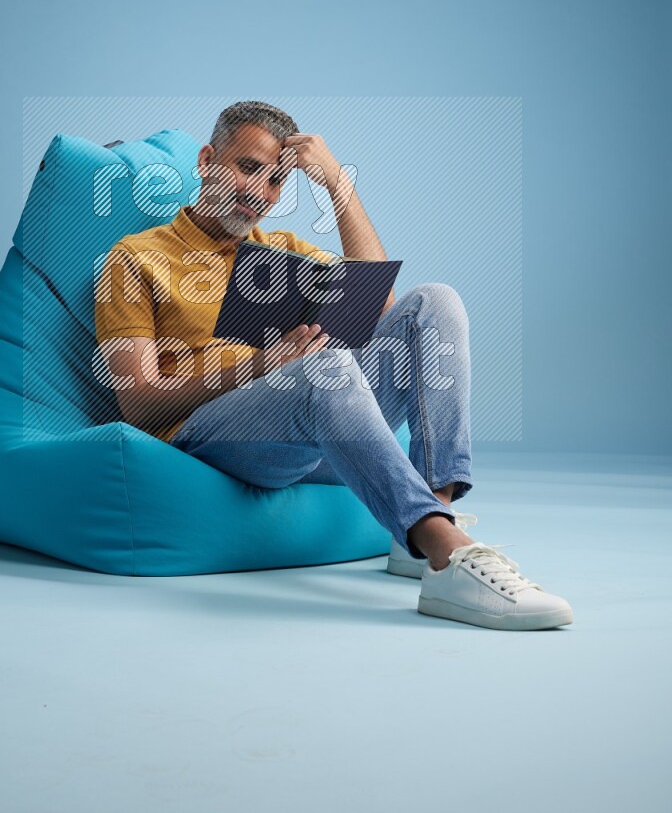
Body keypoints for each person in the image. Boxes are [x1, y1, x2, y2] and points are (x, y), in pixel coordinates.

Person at [95, 100, 573, 631]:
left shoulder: (280, 252)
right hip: (208, 439)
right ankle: (447, 551)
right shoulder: (136, 256)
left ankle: (423, 527)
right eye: (248, 167)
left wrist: (338, 186)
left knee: (434, 304)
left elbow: (385, 309)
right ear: (207, 160)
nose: (259, 193)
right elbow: (135, 401)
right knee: (325, 369)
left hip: (311, 428)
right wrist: (257, 368)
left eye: (277, 181)